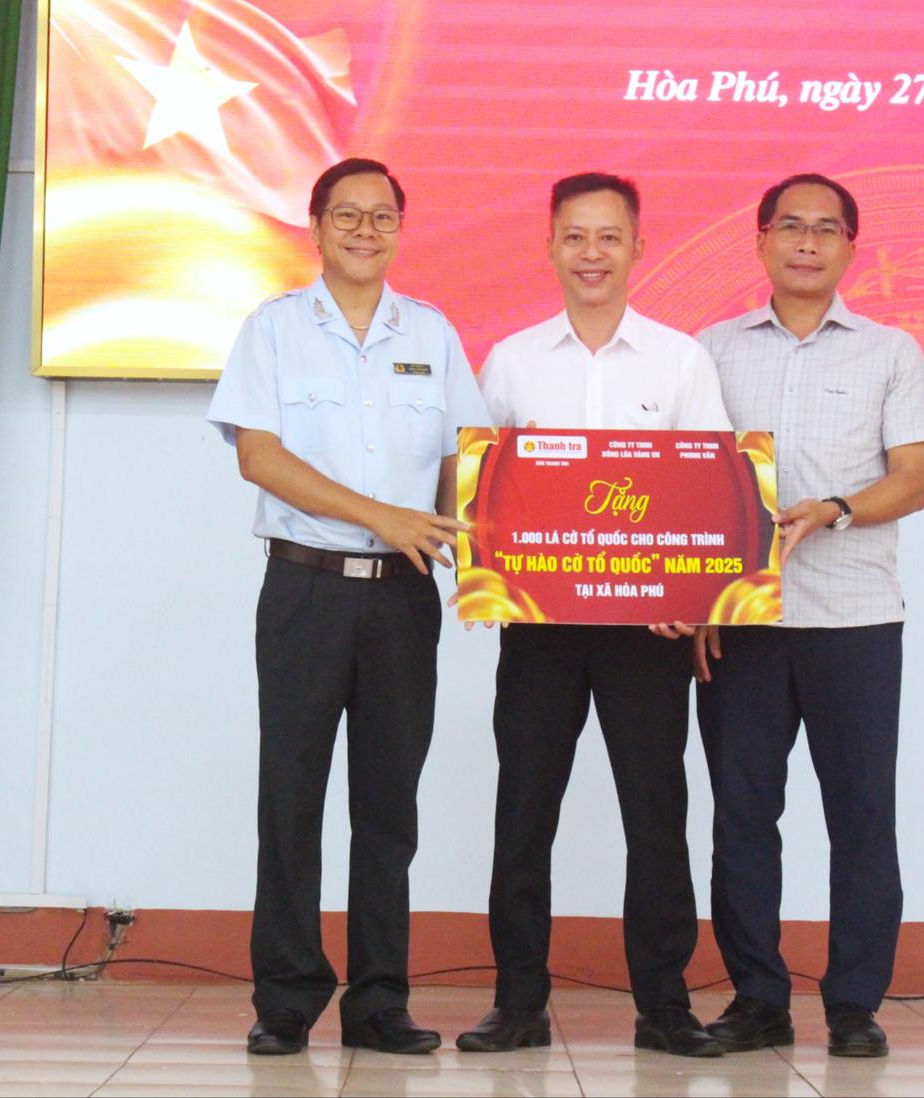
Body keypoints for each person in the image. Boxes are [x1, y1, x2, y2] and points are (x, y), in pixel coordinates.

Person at [206, 157, 491, 1057]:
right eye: (347, 215)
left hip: (404, 598)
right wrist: (383, 516)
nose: (366, 231)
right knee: (290, 798)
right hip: (306, 591)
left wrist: (490, 566)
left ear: (401, 228)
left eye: (382, 217)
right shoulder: (274, 329)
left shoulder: (433, 333)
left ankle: (379, 1003)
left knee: (388, 806)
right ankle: (287, 998)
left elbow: (464, 461)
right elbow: (260, 458)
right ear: (317, 226)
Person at [456, 173, 733, 1059]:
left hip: (646, 638)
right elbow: (481, 492)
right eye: (575, 236)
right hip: (539, 632)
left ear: (638, 249)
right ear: (550, 247)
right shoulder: (512, 361)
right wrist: (484, 575)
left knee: (655, 816)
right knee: (523, 813)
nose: (591, 253)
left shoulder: (680, 361)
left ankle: (665, 1007)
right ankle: (517, 1004)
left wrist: (691, 597)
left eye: (609, 236)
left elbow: (712, 487)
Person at [692, 173, 924, 1058]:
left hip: (856, 621)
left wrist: (834, 509)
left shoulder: (891, 353)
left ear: (849, 248)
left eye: (826, 229)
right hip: (741, 625)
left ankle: (853, 1006)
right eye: (790, 226)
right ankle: (758, 998)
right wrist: (692, 602)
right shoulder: (710, 352)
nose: (807, 242)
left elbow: (911, 482)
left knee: (861, 816)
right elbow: (686, 483)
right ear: (761, 240)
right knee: (741, 818)